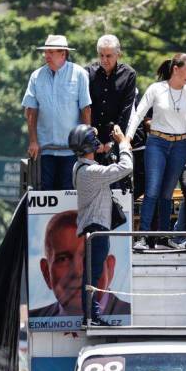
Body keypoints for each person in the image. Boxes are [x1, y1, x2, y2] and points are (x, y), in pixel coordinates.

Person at [125, 53, 186, 250]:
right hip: (157, 142)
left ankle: (163, 237)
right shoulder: (157, 89)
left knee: (167, 193)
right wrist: (128, 138)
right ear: (175, 69)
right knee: (152, 189)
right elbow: (138, 114)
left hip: (180, 145)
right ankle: (144, 237)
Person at [68, 123, 133, 325]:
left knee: (93, 273)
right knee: (93, 273)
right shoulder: (91, 172)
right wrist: (123, 144)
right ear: (90, 145)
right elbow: (126, 167)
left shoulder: (79, 167)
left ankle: (91, 315)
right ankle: (91, 316)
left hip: (92, 227)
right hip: (96, 228)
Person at [29, 210, 131, 318]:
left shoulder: (131, 315)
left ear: (110, 268)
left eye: (90, 256)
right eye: (63, 259)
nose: (78, 271)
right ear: (46, 273)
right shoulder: (36, 317)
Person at [22, 34, 92, 191]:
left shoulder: (79, 74)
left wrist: (87, 145)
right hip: (45, 150)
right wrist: (33, 141)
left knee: (68, 194)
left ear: (63, 53)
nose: (46, 56)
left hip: (71, 151)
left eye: (51, 52)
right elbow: (31, 110)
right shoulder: (36, 76)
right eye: (46, 52)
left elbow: (85, 109)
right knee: (46, 194)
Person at [85, 35, 137, 155]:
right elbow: (85, 107)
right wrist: (93, 140)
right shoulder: (87, 72)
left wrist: (113, 142)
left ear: (118, 54)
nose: (104, 60)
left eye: (108, 56)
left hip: (116, 136)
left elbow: (126, 111)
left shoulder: (129, 74)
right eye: (101, 55)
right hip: (92, 137)